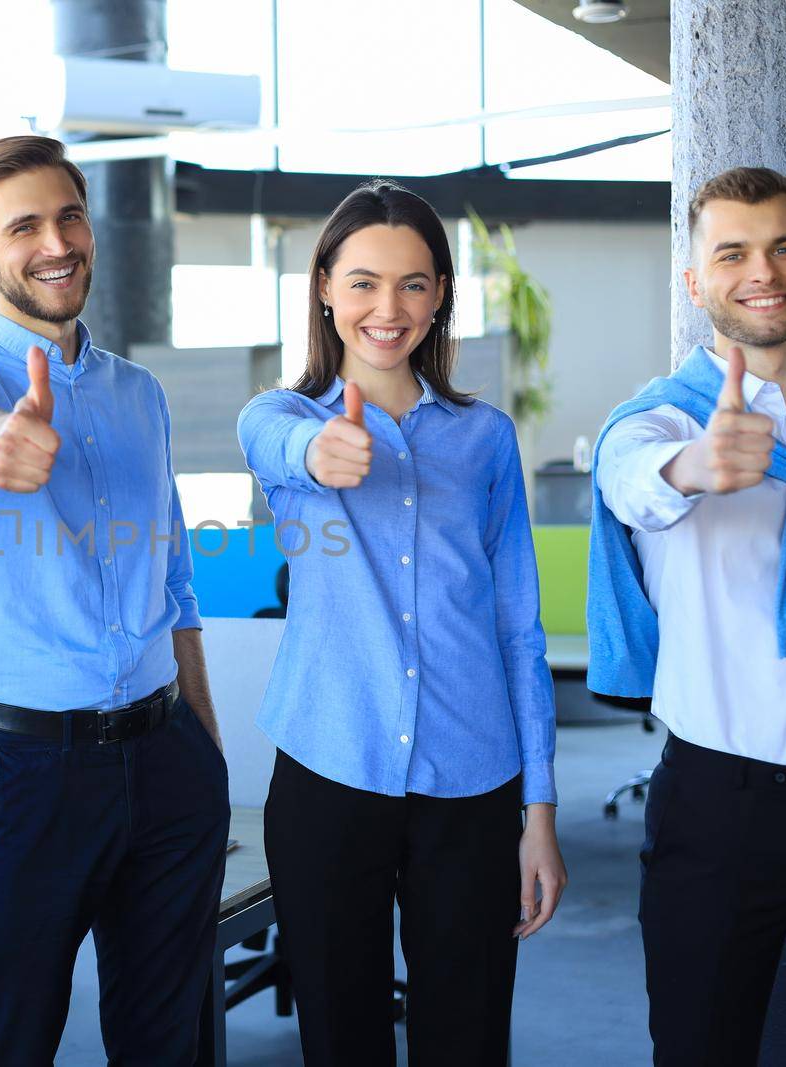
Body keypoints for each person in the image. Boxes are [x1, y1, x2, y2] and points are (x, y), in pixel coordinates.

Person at [0, 134, 229, 1063]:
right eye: (24, 225)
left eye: (69, 216)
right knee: (8, 1044)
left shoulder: (138, 393)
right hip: (18, 776)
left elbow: (174, 583)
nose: (56, 242)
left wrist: (202, 746)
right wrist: (1, 438)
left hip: (163, 762)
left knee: (169, 1042)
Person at [590, 166, 786, 1065]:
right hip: (721, 805)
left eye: (780, 247)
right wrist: (700, 465)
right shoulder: (651, 426)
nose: (760, 270)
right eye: (731, 253)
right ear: (695, 283)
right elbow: (636, 486)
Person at [236, 179, 566, 1066]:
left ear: (441, 295)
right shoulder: (284, 419)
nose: (390, 307)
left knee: (466, 1038)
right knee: (342, 1037)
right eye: (365, 282)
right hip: (330, 765)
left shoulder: (486, 438)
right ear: (325, 289)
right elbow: (270, 441)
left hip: (475, 774)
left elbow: (517, 628)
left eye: (415, 283)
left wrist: (539, 809)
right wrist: (320, 451)